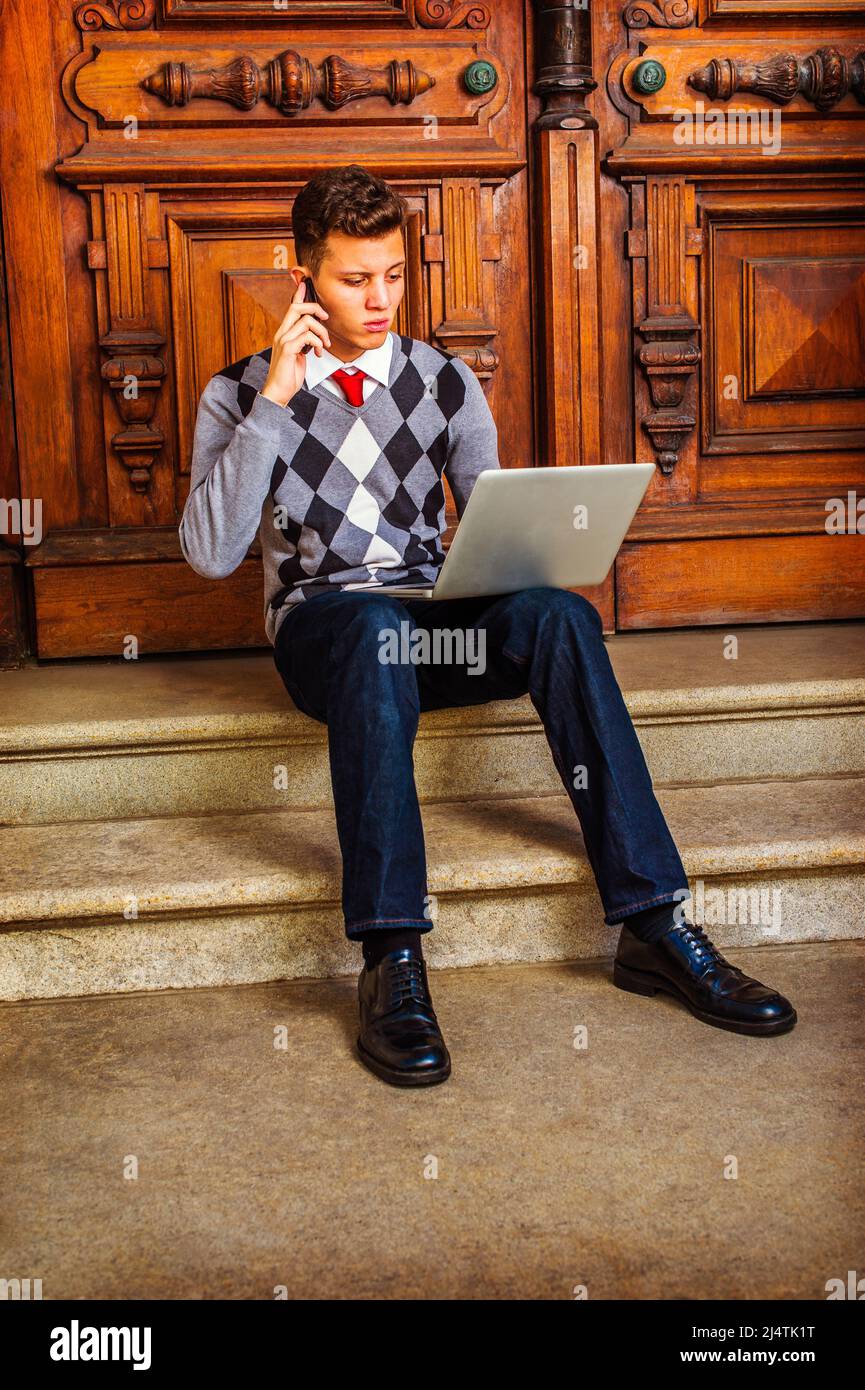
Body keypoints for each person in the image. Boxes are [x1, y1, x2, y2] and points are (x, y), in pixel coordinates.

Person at [179, 165, 797, 1087]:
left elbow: (493, 525)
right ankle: (392, 961)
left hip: (432, 619)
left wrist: (533, 560)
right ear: (304, 278)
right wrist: (275, 397)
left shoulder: (444, 383)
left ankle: (654, 925)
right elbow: (209, 550)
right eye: (354, 279)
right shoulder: (239, 394)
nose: (380, 297)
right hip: (328, 632)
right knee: (369, 636)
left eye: (393, 274)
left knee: (558, 617)